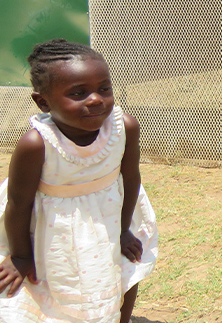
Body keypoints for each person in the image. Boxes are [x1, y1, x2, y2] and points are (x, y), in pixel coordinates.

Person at [0, 39, 158, 322]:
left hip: (111, 217)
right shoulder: (37, 144)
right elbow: (18, 204)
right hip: (53, 230)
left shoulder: (124, 128)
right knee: (52, 287)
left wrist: (123, 230)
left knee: (123, 269)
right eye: (78, 93)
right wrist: (21, 256)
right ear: (43, 101)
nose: (96, 99)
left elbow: (131, 177)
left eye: (104, 88)